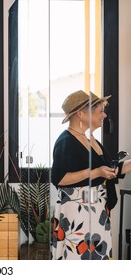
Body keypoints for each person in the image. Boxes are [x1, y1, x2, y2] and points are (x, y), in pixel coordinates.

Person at [51, 89, 131, 260]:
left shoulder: (90, 139)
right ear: (81, 113)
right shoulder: (65, 141)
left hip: (96, 210)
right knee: (77, 257)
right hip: (76, 210)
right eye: (100, 111)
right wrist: (95, 173)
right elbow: (59, 179)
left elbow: (110, 169)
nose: (104, 115)